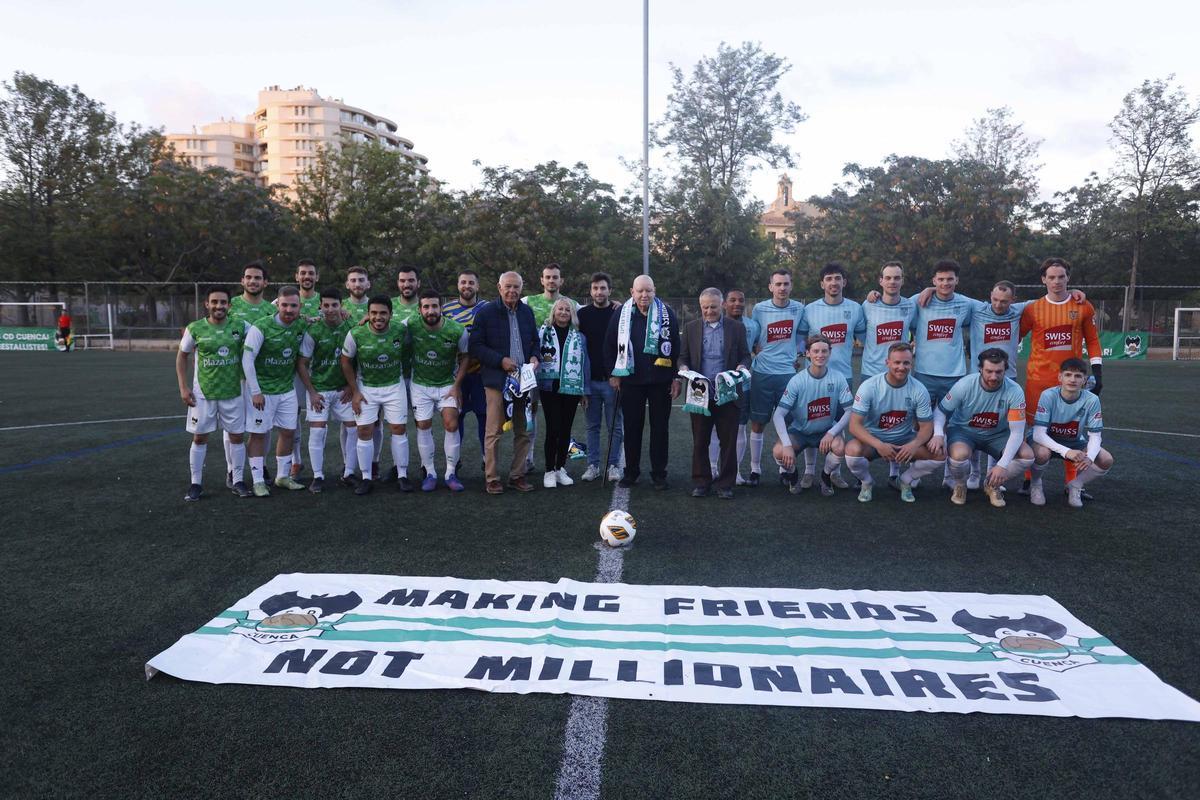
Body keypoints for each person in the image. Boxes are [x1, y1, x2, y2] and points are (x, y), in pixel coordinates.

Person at [1020, 257, 1103, 496]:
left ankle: (1072, 483)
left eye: (1061, 276)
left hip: (1072, 382)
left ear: (1068, 278)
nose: (1056, 281)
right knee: (1035, 431)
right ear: (1043, 280)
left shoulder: (1083, 306)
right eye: (1051, 277)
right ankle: (1029, 480)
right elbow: (1016, 335)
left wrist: (1098, 373)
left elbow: (1093, 341)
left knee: (1072, 429)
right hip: (1038, 381)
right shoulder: (1032, 309)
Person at [928, 348, 1035, 508]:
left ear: (1005, 370)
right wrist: (938, 433)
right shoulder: (965, 385)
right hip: (964, 432)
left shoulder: (1014, 391)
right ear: (980, 369)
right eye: (989, 371)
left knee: (1027, 456)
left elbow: (1017, 432)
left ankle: (992, 484)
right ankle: (960, 485)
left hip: (997, 434)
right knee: (959, 455)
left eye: (998, 372)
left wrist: (1002, 465)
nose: (994, 376)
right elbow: (941, 411)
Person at [604, 274, 680, 490]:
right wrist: (613, 373)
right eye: (640, 291)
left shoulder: (667, 313)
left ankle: (659, 474)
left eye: (648, 290)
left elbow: (676, 345)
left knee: (660, 429)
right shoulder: (622, 313)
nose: (644, 295)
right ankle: (631, 472)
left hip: (660, 381)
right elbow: (609, 344)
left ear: (654, 291)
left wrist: (675, 376)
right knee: (632, 428)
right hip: (631, 380)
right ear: (632, 292)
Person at [469, 271, 541, 495]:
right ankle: (492, 478)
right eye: (507, 286)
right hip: (497, 382)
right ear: (499, 288)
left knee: (524, 431)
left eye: (516, 287)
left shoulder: (527, 312)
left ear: (521, 288)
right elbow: (475, 346)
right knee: (494, 432)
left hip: (524, 381)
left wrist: (534, 356)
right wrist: (500, 361)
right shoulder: (486, 313)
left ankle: (517, 475)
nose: (512, 291)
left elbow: (535, 341)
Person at [844, 342, 944, 502]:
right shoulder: (869, 386)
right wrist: (879, 445)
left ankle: (905, 480)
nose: (901, 367)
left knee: (940, 455)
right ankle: (867, 482)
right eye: (897, 362)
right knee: (851, 450)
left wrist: (914, 444)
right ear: (887, 362)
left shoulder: (919, 390)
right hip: (874, 441)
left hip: (904, 441)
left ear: (911, 364)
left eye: (906, 363)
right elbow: (854, 425)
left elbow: (926, 427)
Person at [176, 286, 249, 500]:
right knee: (200, 438)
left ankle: (238, 480)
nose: (219, 306)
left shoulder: (240, 326)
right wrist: (183, 387)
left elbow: (262, 331)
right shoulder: (195, 328)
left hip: (233, 392)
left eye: (223, 302)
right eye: (214, 302)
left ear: (229, 305)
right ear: (207, 304)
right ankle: (195, 484)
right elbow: (182, 356)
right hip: (203, 394)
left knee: (237, 437)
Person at [678, 288, 752, 498]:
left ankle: (725, 485)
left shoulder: (736, 328)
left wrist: (741, 367)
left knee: (728, 441)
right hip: (700, 393)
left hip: (728, 392)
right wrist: (683, 367)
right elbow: (682, 356)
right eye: (705, 307)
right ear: (700, 306)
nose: (709, 311)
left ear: (722, 305)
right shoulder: (691, 328)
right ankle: (701, 482)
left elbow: (746, 355)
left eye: (713, 307)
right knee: (700, 440)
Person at [796, 262, 864, 489]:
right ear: (822, 284)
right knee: (812, 420)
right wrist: (800, 355)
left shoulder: (856, 308)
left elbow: (865, 337)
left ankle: (834, 472)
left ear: (844, 282)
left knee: (839, 424)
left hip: (843, 376)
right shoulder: (810, 309)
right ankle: (809, 471)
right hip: (813, 377)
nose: (833, 282)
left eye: (837, 278)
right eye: (829, 279)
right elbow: (801, 338)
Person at [340, 295, 412, 495]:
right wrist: (355, 391)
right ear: (368, 314)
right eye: (373, 313)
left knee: (398, 428)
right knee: (364, 430)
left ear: (391, 314)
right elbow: (345, 361)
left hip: (394, 386)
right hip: (366, 388)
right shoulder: (356, 333)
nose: (378, 317)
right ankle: (366, 478)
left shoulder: (401, 329)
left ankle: (402, 475)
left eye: (383, 313)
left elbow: (419, 321)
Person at [241, 286, 308, 497]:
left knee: (288, 432)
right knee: (258, 434)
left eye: (293, 306)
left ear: (300, 307)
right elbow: (247, 359)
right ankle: (258, 481)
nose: (289, 309)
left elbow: (326, 317)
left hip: (287, 389)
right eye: (284, 305)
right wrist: (255, 391)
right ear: (277, 304)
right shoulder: (261, 327)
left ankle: (282, 477)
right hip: (263, 391)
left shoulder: (301, 325)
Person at [771, 336, 853, 497]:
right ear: (808, 353)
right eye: (815, 351)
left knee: (839, 446)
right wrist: (787, 444)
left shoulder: (838, 378)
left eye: (824, 351)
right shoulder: (797, 380)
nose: (820, 355)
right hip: (800, 432)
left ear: (830, 353)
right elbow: (778, 415)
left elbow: (850, 410)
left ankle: (826, 476)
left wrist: (831, 433)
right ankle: (793, 475)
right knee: (779, 451)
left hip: (825, 431)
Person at [408, 289, 469, 492]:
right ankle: (430, 472)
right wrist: (366, 318)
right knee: (423, 425)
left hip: (447, 385)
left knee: (451, 424)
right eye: (426, 307)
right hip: (420, 384)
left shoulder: (456, 330)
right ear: (419, 310)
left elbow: (465, 357)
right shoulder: (410, 325)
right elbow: (389, 327)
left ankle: (451, 473)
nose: (430, 310)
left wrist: (457, 386)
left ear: (441, 307)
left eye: (434, 306)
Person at [747, 269, 805, 486]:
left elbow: (802, 335)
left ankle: (784, 469)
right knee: (758, 423)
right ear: (770, 286)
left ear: (791, 286)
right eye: (778, 284)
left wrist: (798, 354)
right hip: (762, 373)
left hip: (788, 375)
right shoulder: (759, 309)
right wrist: (754, 349)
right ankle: (755, 469)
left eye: (786, 284)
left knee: (788, 424)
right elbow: (754, 337)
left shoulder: (799, 308)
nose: (782, 288)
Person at [1030, 358, 1113, 508]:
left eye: (1078, 376)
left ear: (1085, 380)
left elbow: (1095, 436)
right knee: (1041, 453)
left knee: (1106, 460)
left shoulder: (1092, 400)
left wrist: (1090, 457)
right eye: (1068, 375)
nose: (1072, 380)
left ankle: (1075, 485)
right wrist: (1066, 451)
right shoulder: (1048, 395)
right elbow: (1038, 434)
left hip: (1073, 441)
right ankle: (1035, 484)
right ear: (1060, 377)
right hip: (1047, 440)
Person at [296, 287, 356, 494]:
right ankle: (318, 476)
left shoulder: (351, 327)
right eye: (326, 305)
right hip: (320, 390)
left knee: (353, 428)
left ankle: (349, 473)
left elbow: (359, 359)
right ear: (320, 307)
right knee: (317, 430)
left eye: (334, 305)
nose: (330, 309)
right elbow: (302, 363)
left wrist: (351, 386)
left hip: (343, 390)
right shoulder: (313, 331)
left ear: (341, 306)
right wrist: (312, 392)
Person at [523, 262, 579, 475]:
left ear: (561, 280)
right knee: (530, 413)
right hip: (534, 369)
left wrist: (615, 305)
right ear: (542, 280)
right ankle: (528, 458)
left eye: (555, 277)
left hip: (559, 375)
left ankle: (558, 465)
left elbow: (591, 314)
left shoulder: (572, 304)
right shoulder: (529, 301)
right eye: (548, 277)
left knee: (559, 424)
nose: (551, 280)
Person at [225, 261, 274, 486]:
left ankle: (260, 465)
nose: (253, 281)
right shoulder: (230, 305)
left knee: (263, 425)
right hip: (233, 376)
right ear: (242, 281)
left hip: (262, 377)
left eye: (257, 278)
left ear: (265, 282)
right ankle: (231, 469)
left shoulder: (271, 310)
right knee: (233, 426)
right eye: (249, 277)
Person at [536, 298, 591, 488]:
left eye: (568, 310)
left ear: (572, 314)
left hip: (572, 387)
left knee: (566, 429)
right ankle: (549, 470)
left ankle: (560, 468)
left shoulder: (579, 337)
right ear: (554, 311)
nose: (563, 312)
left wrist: (584, 391)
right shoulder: (543, 333)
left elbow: (585, 364)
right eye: (560, 309)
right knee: (553, 429)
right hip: (549, 386)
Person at [577, 272, 624, 482]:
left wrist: (617, 374)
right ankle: (593, 465)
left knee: (615, 426)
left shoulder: (619, 313)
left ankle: (613, 465)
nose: (599, 292)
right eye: (595, 288)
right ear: (591, 291)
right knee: (592, 426)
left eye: (603, 288)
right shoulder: (582, 315)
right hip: (590, 382)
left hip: (612, 380)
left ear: (609, 291)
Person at [712, 288, 759, 484]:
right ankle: (712, 469)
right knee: (714, 430)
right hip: (716, 385)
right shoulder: (715, 323)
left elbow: (757, 349)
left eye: (741, 300)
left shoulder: (753, 326)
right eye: (732, 300)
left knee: (739, 429)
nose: (737, 303)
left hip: (742, 387)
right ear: (724, 304)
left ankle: (736, 471)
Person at [443, 269, 488, 473]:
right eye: (463, 282)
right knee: (456, 416)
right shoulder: (446, 309)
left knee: (483, 415)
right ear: (458, 285)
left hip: (481, 373)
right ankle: (455, 459)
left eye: (471, 282)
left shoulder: (487, 308)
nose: (467, 286)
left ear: (477, 286)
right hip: (455, 375)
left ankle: (487, 458)